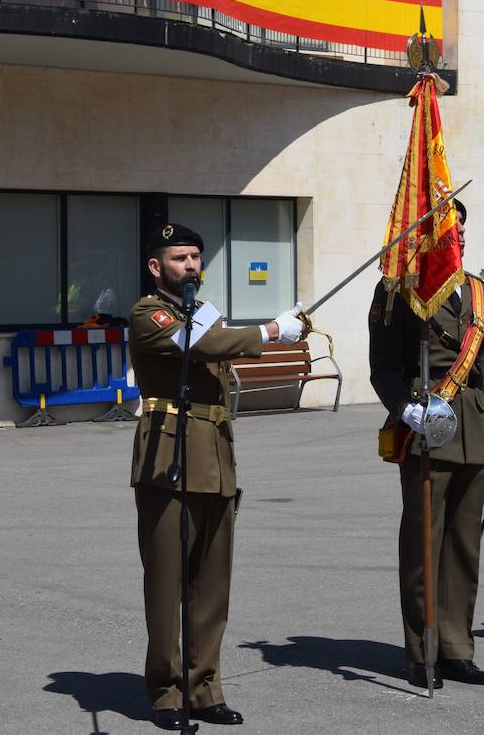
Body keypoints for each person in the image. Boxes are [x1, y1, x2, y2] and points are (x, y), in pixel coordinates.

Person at [128, 222, 305, 730]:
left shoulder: (205, 316)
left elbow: (218, 340)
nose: (192, 266)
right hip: (168, 457)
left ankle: (204, 688)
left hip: (217, 456)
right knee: (167, 583)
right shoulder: (148, 313)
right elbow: (199, 346)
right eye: (180, 258)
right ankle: (165, 693)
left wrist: (264, 331)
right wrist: (271, 331)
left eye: (196, 257)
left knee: (211, 584)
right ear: (156, 267)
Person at [368, 199, 484, 689]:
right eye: (451, 229)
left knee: (465, 546)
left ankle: (456, 648)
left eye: (463, 228)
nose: (460, 236)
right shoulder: (396, 290)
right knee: (424, 544)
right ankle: (421, 650)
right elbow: (384, 366)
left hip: (468, 427)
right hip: (427, 424)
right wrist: (406, 407)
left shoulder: (475, 290)